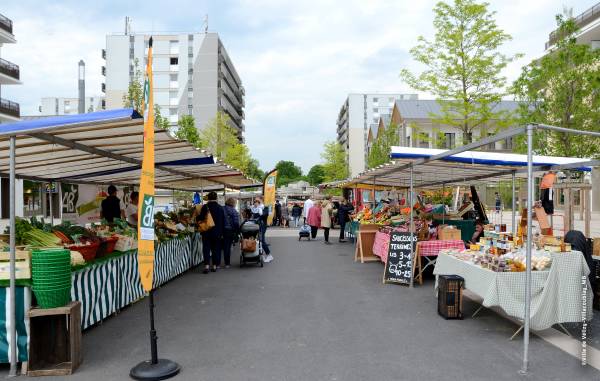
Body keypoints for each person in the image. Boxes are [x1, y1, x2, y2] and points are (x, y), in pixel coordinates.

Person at [197, 191, 225, 274]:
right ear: (216, 198)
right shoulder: (220, 208)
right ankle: (215, 266)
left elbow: (201, 218)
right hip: (217, 232)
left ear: (208, 198)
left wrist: (197, 217)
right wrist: (222, 232)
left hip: (206, 232)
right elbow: (223, 221)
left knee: (206, 248)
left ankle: (206, 266)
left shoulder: (205, 207)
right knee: (216, 249)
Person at [223, 197, 240, 269]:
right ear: (233, 203)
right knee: (228, 246)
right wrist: (237, 231)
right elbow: (236, 223)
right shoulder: (234, 211)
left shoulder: (222, 209)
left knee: (223, 246)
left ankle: (216, 264)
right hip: (230, 230)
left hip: (221, 230)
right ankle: (227, 263)